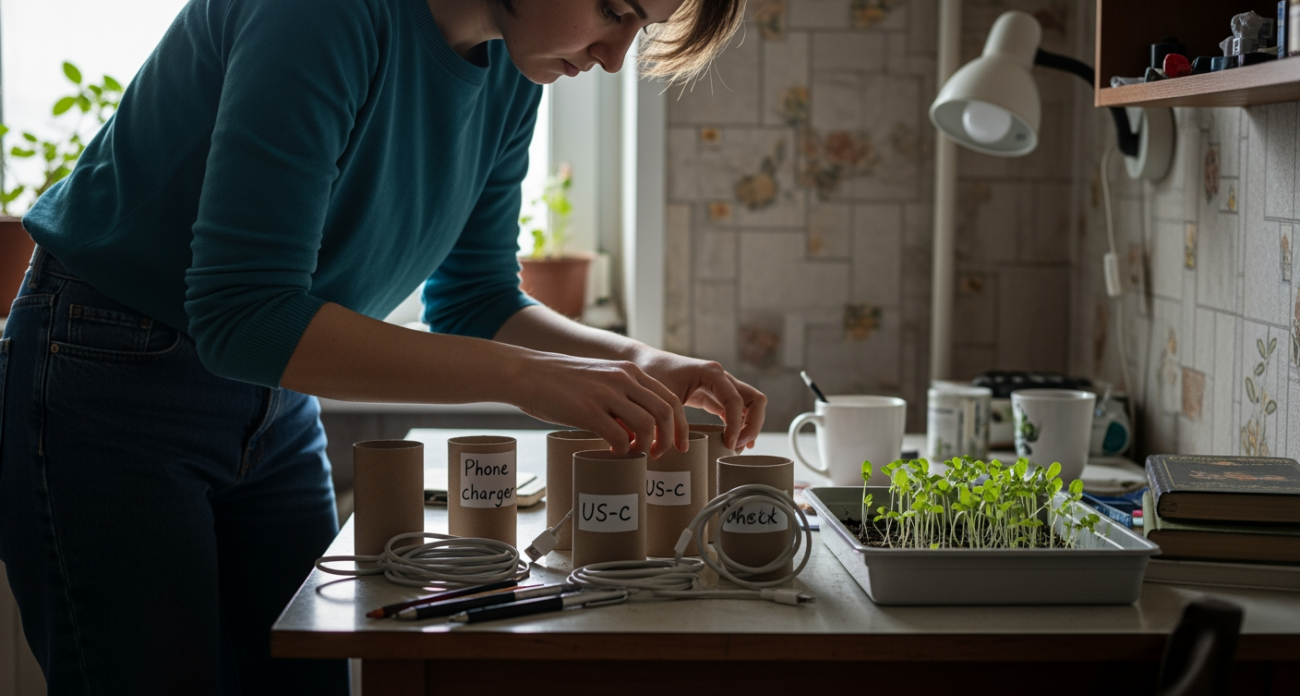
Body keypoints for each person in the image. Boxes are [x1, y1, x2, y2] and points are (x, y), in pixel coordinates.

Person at [0, 0, 757, 692]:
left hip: (274, 396)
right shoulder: (321, 14)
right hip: (109, 377)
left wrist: (636, 362)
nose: (616, 58)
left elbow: (475, 300)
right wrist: (526, 377)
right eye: (614, 10)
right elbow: (245, 316)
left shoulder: (514, 67)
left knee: (307, 681)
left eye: (641, 28)